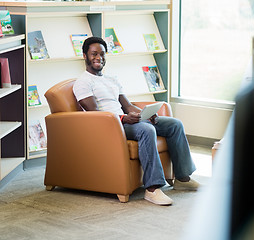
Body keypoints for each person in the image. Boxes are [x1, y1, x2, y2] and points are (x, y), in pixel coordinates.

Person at [73, 36, 199, 206]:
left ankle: (183, 178)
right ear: (85, 56)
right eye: (94, 54)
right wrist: (124, 118)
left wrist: (145, 114)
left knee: (174, 124)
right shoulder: (83, 83)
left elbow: (127, 105)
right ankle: (152, 189)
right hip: (110, 126)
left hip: (125, 120)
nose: (99, 58)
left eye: (102, 54)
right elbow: (96, 114)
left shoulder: (111, 79)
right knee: (147, 130)